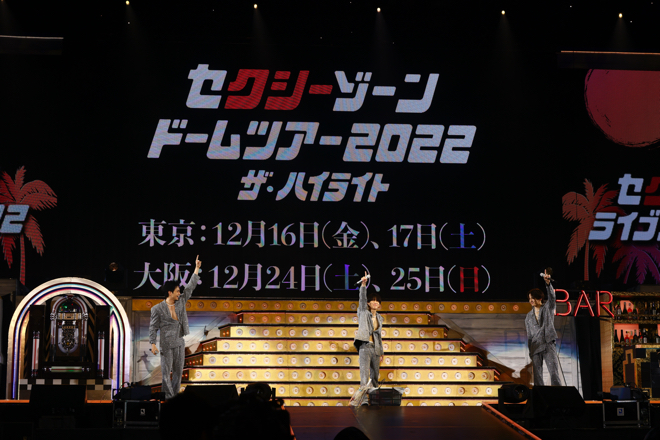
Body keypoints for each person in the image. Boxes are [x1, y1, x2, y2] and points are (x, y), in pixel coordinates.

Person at [149, 255, 202, 399]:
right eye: (177, 291)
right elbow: (153, 327)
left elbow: (190, 287)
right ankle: (168, 397)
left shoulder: (180, 302)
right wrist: (153, 343)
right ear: (170, 292)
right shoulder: (157, 309)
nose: (180, 293)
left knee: (178, 372)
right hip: (166, 344)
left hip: (179, 342)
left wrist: (196, 268)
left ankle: (175, 397)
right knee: (166, 373)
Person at [525, 268, 562, 386]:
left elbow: (552, 298)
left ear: (540, 298)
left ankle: (559, 394)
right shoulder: (528, 316)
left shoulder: (547, 308)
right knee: (537, 376)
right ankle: (539, 395)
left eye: (533, 298)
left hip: (548, 344)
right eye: (529, 298)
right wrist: (530, 351)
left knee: (554, 373)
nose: (531, 300)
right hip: (535, 347)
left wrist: (548, 283)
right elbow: (529, 336)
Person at [354, 272, 383, 390]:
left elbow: (379, 336)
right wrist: (363, 285)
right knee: (364, 377)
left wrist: (381, 352)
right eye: (373, 300)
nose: (375, 302)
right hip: (365, 347)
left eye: (377, 301)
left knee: (375, 376)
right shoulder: (363, 312)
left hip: (375, 348)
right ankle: (363, 398)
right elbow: (362, 299)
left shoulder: (380, 318)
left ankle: (374, 397)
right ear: (368, 303)